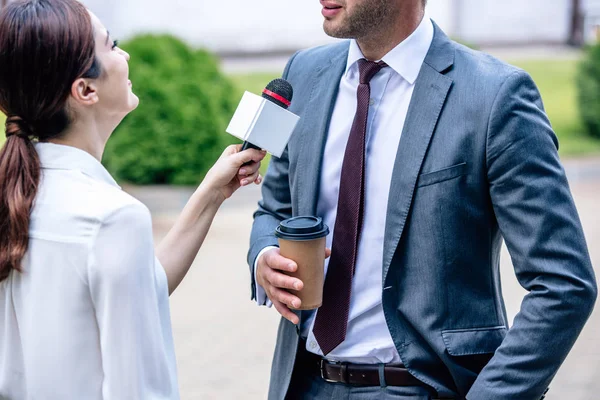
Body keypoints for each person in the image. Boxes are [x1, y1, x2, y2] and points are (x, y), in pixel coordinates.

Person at [248, 0, 598, 399]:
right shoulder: (302, 73)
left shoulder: (496, 96)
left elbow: (564, 284)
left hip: (423, 388)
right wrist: (265, 256)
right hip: (303, 383)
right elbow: (274, 208)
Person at [0, 0, 265, 398]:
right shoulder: (112, 218)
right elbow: (140, 389)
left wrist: (211, 194)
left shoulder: (17, 195)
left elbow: (142, 284)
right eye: (112, 44)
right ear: (85, 89)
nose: (124, 54)